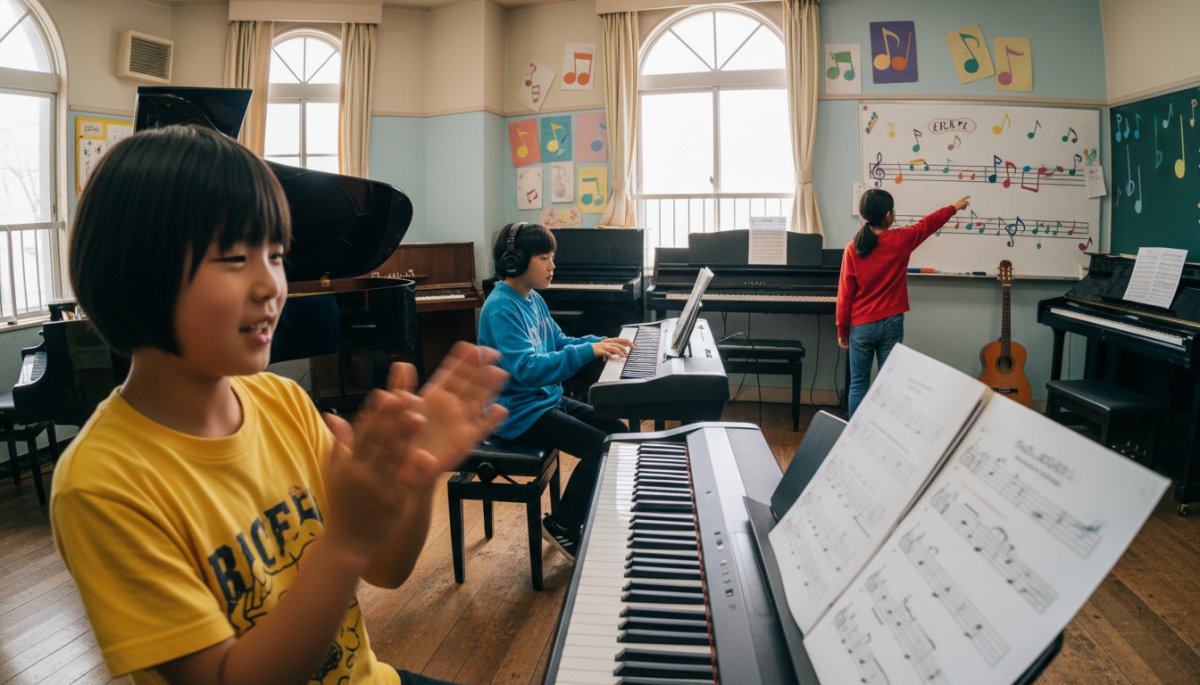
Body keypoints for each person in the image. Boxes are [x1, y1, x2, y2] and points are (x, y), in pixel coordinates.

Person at [51, 124, 508, 685]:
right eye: (235, 257)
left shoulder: (284, 403)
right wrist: (342, 539)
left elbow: (388, 567)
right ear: (137, 270)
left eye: (275, 255)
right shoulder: (102, 484)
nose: (272, 285)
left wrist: (413, 480)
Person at [477, 221, 635, 561]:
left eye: (553, 257)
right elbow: (528, 369)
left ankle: (592, 517)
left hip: (541, 400)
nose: (553, 266)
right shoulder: (502, 307)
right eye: (545, 258)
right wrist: (585, 353)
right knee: (600, 448)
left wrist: (598, 342)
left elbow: (559, 341)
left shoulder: (531, 299)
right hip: (516, 412)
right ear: (514, 262)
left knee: (618, 431)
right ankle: (562, 525)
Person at [836, 189, 971, 416]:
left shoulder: (853, 248)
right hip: (891, 322)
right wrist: (954, 207)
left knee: (858, 385)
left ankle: (853, 438)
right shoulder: (901, 240)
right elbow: (929, 224)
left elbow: (845, 294)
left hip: (861, 325)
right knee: (890, 385)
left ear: (864, 215)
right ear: (889, 215)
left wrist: (842, 328)